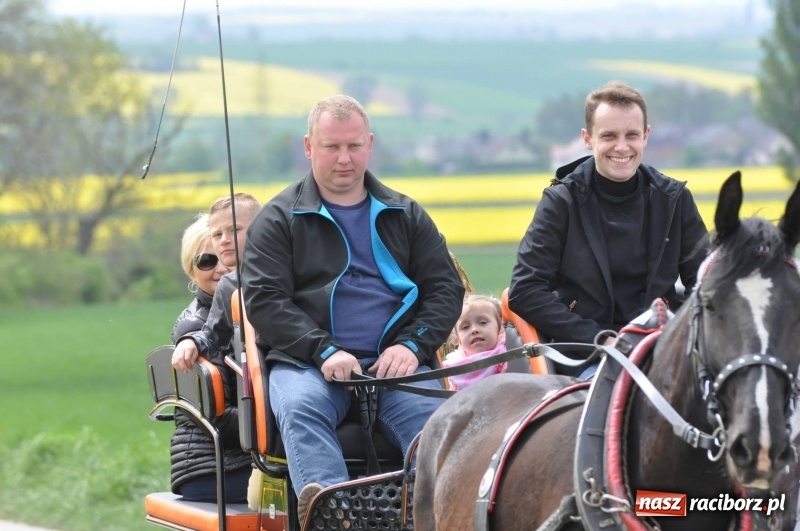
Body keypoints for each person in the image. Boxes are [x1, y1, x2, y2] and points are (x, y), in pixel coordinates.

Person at [239, 94, 465, 526]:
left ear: (370, 144)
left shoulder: (406, 213)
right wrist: (324, 351)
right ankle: (335, 521)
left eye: (353, 146)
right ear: (309, 147)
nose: (344, 159)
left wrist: (413, 347)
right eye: (331, 147)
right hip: (309, 367)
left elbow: (444, 289)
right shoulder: (277, 220)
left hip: (397, 367)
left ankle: (429, 519)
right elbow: (265, 301)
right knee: (300, 410)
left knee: (440, 428)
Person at [508, 81, 708, 379]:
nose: (622, 147)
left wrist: (681, 335)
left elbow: (706, 282)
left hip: (663, 349)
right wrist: (599, 338)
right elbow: (525, 290)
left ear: (646, 136)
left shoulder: (674, 199)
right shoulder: (561, 202)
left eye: (632, 135)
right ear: (588, 139)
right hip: (587, 357)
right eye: (609, 136)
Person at [170, 193, 262, 500]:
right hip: (212, 465)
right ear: (190, 271)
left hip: (245, 457)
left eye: (224, 257)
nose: (221, 268)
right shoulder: (194, 328)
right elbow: (218, 415)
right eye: (206, 261)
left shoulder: (251, 306)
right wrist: (278, 420)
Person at [442, 294, 507, 391]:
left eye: (483, 322)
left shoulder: (510, 354)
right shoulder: (455, 367)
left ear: (499, 327)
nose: (474, 330)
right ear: (457, 338)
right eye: (465, 327)